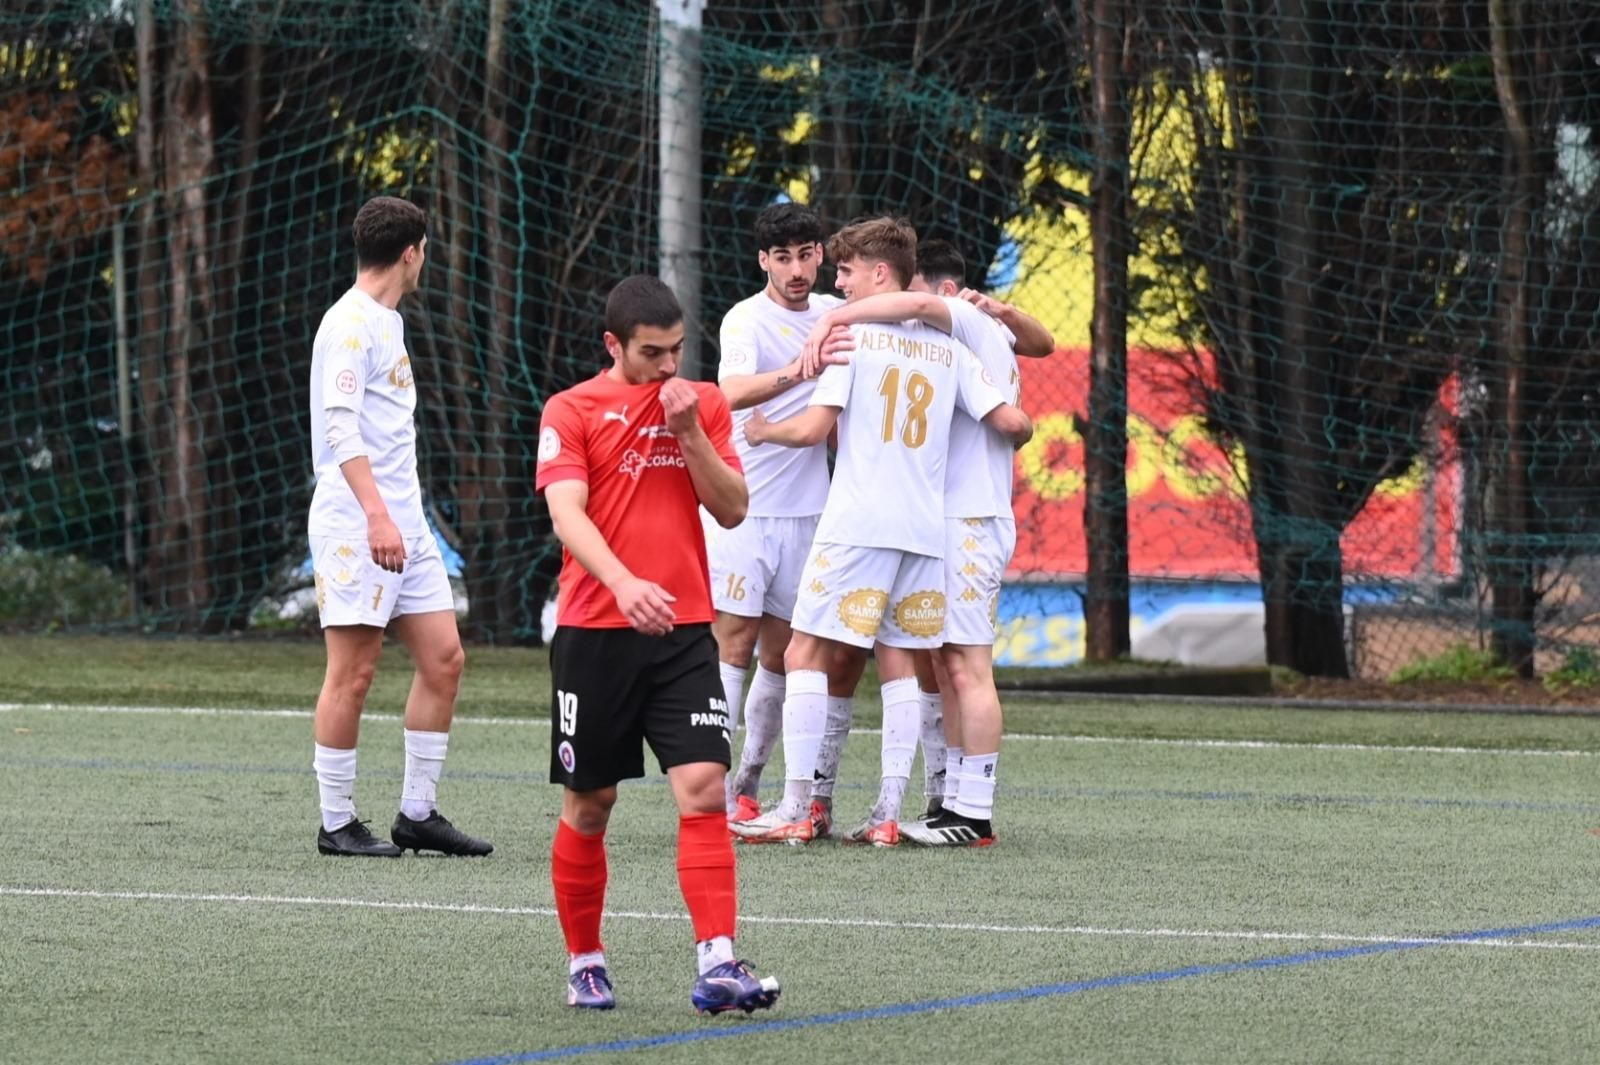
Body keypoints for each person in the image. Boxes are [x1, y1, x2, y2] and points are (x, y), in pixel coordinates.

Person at [731, 218, 1033, 847]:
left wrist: (763, 432)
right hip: (925, 526)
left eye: (844, 271)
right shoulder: (952, 349)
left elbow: (815, 430)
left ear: (879, 273)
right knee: (903, 660)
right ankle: (889, 813)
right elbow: (1013, 420)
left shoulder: (852, 336)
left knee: (802, 654)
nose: (835, 284)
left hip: (859, 520)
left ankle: (794, 806)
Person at [535, 275, 780, 1014]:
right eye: (652, 353)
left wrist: (692, 435)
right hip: (593, 633)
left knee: (705, 786)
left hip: (682, 634)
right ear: (614, 345)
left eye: (678, 350)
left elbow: (734, 509)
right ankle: (585, 961)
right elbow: (565, 513)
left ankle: (719, 962)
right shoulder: (571, 408)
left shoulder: (701, 404)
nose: (669, 366)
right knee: (591, 802)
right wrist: (622, 582)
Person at [306, 195, 492, 859]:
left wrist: (402, 519)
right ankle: (336, 823)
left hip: (403, 524)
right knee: (352, 673)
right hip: (360, 523)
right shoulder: (351, 323)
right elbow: (339, 426)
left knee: (444, 657)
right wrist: (378, 515)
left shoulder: (387, 320)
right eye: (426, 249)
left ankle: (417, 813)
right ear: (412, 251)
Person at [709, 203, 858, 832]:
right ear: (762, 261)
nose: (796, 269)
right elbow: (732, 392)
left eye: (806, 254)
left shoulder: (835, 314)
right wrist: (797, 369)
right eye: (783, 257)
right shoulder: (745, 318)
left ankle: (751, 781)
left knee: (786, 654)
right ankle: (712, 792)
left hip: (811, 512)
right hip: (744, 509)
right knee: (734, 642)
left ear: (821, 255)